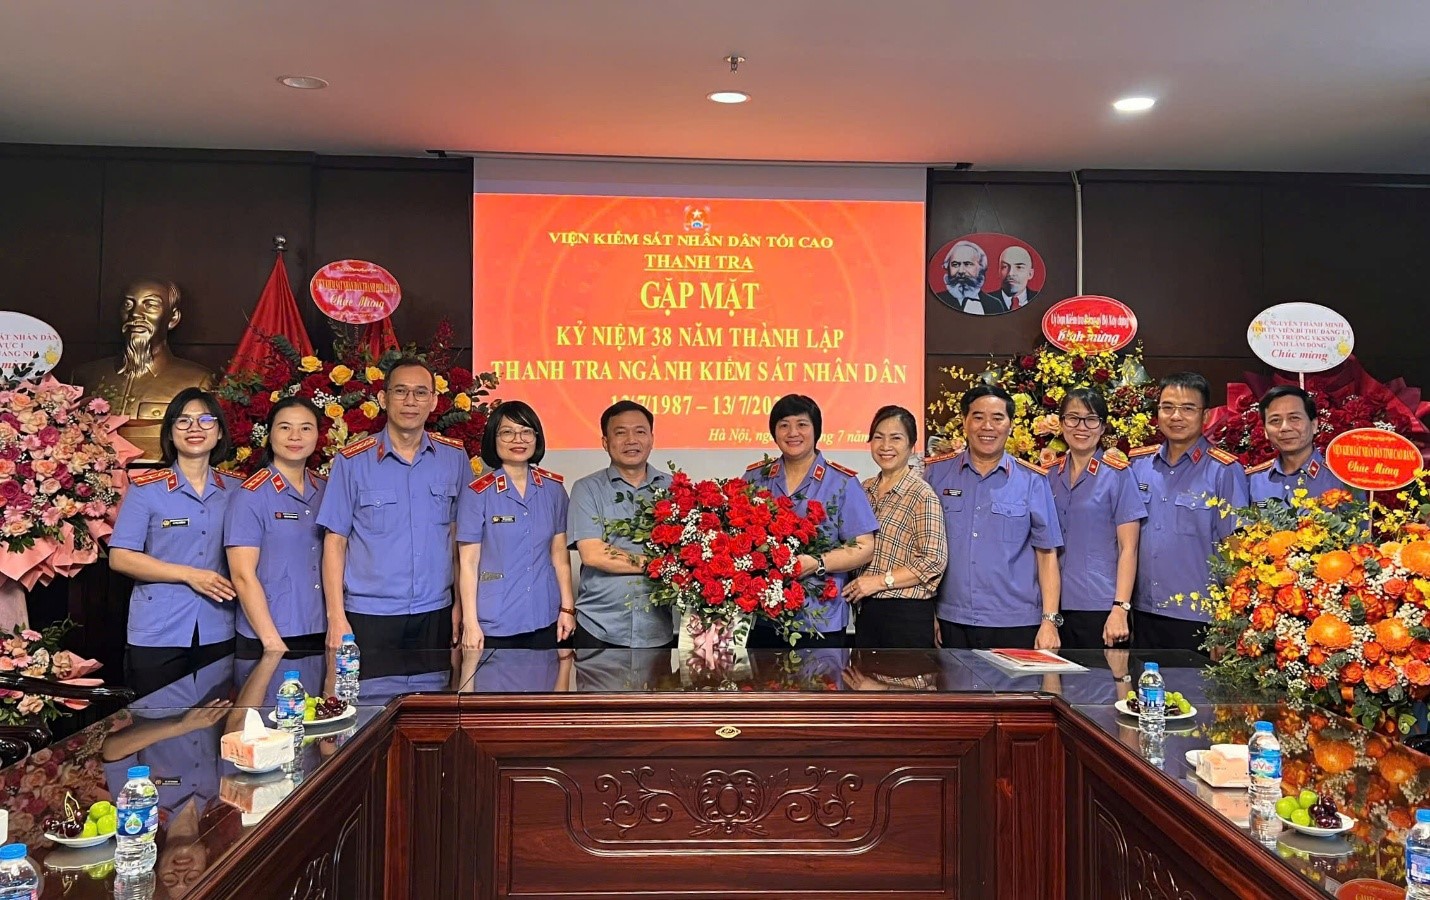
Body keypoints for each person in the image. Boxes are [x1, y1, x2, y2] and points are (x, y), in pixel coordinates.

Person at [317, 357, 469, 651]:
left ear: (434, 401)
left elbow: (459, 539)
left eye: (420, 392)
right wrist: (335, 617)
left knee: (436, 682)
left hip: (435, 610)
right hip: (369, 615)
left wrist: (460, 605)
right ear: (383, 398)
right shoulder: (352, 461)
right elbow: (335, 541)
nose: (410, 401)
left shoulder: (454, 458)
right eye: (400, 391)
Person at [110, 388, 239, 695]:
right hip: (158, 630)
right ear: (170, 432)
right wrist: (189, 574)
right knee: (158, 716)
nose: (195, 428)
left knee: (214, 717)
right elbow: (120, 557)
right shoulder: (146, 489)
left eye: (205, 420)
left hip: (218, 625)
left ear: (220, 431)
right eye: (183, 421)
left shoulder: (237, 490)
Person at [924, 384, 1063, 650]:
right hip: (951, 619)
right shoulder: (936, 475)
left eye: (997, 418)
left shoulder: (1032, 480)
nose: (987, 426)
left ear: (1010, 425)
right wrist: (928, 613)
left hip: (1015, 622)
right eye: (978, 417)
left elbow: (1047, 555)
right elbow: (924, 550)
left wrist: (1049, 622)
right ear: (964, 422)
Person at [742, 394, 877, 648]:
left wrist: (818, 563)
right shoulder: (756, 477)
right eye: (784, 425)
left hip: (820, 618)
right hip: (764, 617)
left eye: (802, 424)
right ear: (774, 432)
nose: (793, 432)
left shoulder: (842, 482)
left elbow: (864, 546)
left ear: (816, 430)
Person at [1129, 372, 1249, 652]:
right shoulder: (1138, 465)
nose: (1176, 416)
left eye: (1187, 408)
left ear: (1205, 416)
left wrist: (1230, 622)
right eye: (1167, 407)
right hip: (1143, 613)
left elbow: (1237, 551)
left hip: (1199, 617)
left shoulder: (1224, 470)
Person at [456, 401, 576, 650]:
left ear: (536, 437)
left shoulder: (553, 490)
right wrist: (470, 622)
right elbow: (467, 563)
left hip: (545, 615)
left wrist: (567, 608)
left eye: (526, 431)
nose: (518, 439)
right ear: (493, 438)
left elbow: (560, 556)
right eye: (507, 432)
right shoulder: (478, 493)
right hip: (494, 619)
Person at [224, 397, 328, 656]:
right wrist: (272, 642)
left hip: (324, 627)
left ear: (317, 435)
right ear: (269, 435)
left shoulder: (326, 489)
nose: (295, 436)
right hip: (271, 634)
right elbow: (242, 575)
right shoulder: (251, 495)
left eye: (305, 428)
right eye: (285, 427)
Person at [567, 401, 675, 649]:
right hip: (599, 628)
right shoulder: (587, 489)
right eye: (620, 432)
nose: (631, 440)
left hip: (657, 629)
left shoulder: (675, 490)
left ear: (651, 438)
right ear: (605, 442)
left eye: (640, 431)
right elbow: (593, 554)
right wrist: (658, 565)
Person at [72, 278, 218, 463]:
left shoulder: (198, 380)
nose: (135, 314)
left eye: (150, 305)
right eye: (128, 305)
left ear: (173, 318)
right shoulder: (84, 376)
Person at [1047, 388, 1146, 649]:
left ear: (1102, 427)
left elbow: (1129, 548)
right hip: (1050, 606)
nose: (1081, 427)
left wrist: (1120, 608)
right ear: (1061, 423)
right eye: (1073, 418)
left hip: (1100, 607)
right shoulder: (1047, 475)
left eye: (1091, 419)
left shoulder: (1118, 475)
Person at [843, 405, 947, 648]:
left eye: (896, 438)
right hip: (867, 611)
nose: (885, 446)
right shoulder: (864, 489)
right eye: (878, 437)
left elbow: (933, 560)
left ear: (912, 446)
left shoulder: (922, 494)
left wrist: (879, 581)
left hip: (905, 615)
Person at [1246, 385, 1348, 503]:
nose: (1285, 428)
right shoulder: (1252, 481)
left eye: (1294, 418)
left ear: (1314, 425)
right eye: (1275, 420)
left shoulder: (1341, 479)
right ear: (1265, 431)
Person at [934, 240, 1006, 315]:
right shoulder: (937, 301)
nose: (961, 271)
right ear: (948, 268)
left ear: (980, 268)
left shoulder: (994, 304)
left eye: (967, 264)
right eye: (955, 264)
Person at [992, 245, 1039, 311]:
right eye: (1005, 267)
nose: (1011, 273)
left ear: (1030, 274)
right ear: (999, 271)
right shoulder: (985, 302)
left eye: (1019, 267)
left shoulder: (1041, 299)